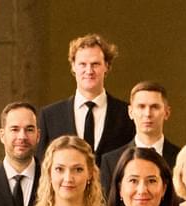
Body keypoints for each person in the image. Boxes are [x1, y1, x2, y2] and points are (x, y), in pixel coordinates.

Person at [37, 34, 134, 163]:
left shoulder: (126, 114)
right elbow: (42, 166)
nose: (89, 71)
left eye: (95, 64)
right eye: (83, 64)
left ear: (107, 66)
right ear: (73, 66)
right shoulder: (50, 116)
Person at [99, 81, 181, 189]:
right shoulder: (111, 162)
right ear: (130, 112)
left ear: (167, 112)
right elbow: (108, 205)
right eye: (141, 107)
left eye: (155, 107)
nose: (147, 114)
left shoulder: (182, 159)